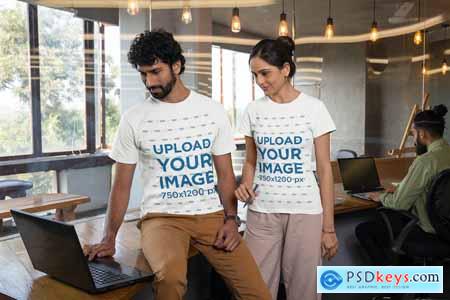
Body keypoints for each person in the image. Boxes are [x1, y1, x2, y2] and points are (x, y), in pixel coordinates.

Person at [83, 29, 271, 300]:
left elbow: (226, 175)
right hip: (162, 219)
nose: (149, 82)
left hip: (211, 216)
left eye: (156, 72)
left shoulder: (212, 111)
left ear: (177, 66)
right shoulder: (133, 118)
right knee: (170, 278)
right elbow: (121, 185)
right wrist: (108, 237)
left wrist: (231, 219)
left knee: (258, 293)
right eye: (143, 74)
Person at [234, 36, 338, 300]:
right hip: (262, 211)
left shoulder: (314, 109)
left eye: (265, 73)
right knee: (255, 288)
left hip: (305, 210)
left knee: (304, 291)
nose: (260, 81)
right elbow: (250, 160)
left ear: (285, 69)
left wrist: (328, 228)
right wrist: (245, 184)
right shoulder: (252, 111)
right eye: (255, 75)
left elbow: (325, 170)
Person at [355, 104, 450, 266]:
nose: (414, 140)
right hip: (446, 228)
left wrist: (381, 196)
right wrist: (400, 188)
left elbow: (400, 203)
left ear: (422, 134)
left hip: (430, 231)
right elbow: (437, 190)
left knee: (365, 230)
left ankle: (391, 284)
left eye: (413, 134)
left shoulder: (425, 161)